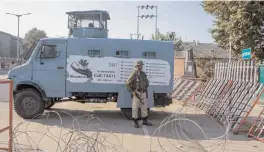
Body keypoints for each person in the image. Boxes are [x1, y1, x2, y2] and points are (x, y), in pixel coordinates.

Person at [126, 60, 153, 128]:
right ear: (137, 66)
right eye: (140, 65)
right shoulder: (134, 73)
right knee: (135, 108)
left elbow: (146, 83)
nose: (141, 66)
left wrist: (145, 92)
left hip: (143, 92)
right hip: (137, 93)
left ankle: (145, 121)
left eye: (141, 65)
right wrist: (132, 92)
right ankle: (135, 122)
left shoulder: (143, 74)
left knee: (144, 107)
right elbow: (127, 83)